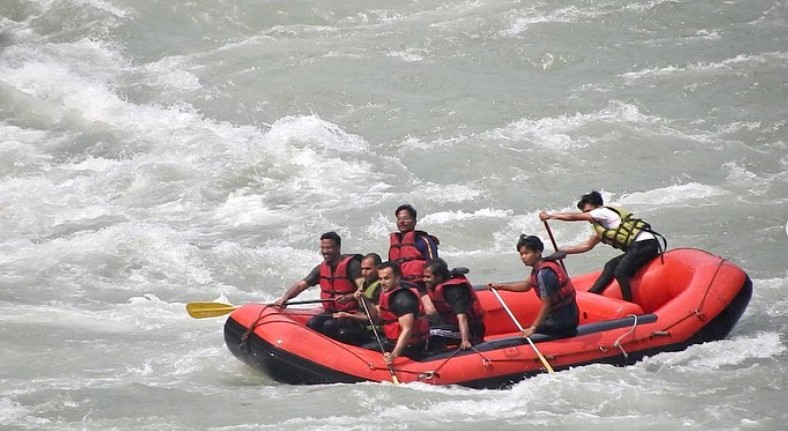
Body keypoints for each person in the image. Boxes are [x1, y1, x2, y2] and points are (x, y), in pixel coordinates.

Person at [539, 190, 666, 301]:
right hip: (638, 247)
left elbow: (574, 217)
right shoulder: (602, 226)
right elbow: (586, 246)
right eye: (585, 212)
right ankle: (593, 294)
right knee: (610, 266)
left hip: (645, 245)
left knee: (620, 271)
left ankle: (631, 304)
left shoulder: (603, 212)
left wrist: (551, 216)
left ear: (598, 206)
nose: (588, 215)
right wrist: (562, 251)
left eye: (588, 211)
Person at [273, 231, 367, 345]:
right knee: (312, 323)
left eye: (329, 248)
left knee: (329, 326)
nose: (325, 251)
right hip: (331, 312)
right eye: (323, 248)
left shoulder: (352, 266)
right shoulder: (321, 268)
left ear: (338, 247)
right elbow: (300, 285)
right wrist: (285, 298)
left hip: (351, 314)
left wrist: (349, 297)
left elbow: (363, 288)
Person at [487, 235, 579, 338]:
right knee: (529, 327)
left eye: (527, 253)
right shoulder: (540, 266)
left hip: (563, 321)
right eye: (521, 254)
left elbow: (546, 304)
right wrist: (500, 287)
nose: (523, 257)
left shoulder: (544, 274)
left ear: (538, 252)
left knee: (525, 331)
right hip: (563, 316)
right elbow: (526, 285)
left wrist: (533, 328)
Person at [363, 261, 430, 364]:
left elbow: (407, 330)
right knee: (364, 349)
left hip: (410, 346)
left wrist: (394, 355)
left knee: (367, 351)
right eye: (380, 279)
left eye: (387, 278)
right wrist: (364, 300)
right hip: (392, 341)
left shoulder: (403, 298)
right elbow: (376, 318)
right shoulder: (386, 293)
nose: (382, 282)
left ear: (397, 278)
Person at [388, 204, 440, 321]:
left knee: (430, 311)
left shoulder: (424, 241)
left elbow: (434, 265)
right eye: (399, 219)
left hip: (422, 286)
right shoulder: (395, 244)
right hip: (401, 287)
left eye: (406, 219)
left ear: (414, 221)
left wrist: (432, 287)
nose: (402, 222)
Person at [423, 258, 485, 350]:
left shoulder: (453, 290)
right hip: (451, 326)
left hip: (471, 331)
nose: (424, 280)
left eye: (428, 277)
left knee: (432, 333)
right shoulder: (436, 286)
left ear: (439, 277)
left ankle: (430, 358)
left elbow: (462, 317)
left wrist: (465, 340)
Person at [332, 253, 384, 343]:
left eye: (368, 269)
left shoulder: (381, 287)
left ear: (378, 268)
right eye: (362, 269)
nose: (364, 272)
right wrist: (347, 298)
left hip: (373, 329)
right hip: (360, 323)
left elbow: (374, 317)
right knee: (327, 324)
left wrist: (349, 316)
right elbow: (359, 294)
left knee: (341, 332)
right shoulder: (365, 283)